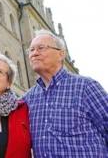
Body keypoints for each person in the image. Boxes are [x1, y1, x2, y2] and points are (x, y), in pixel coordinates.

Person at [23, 29, 108, 157]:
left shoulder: (86, 87)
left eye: (41, 48)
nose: (34, 53)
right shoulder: (27, 99)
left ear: (61, 54)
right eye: (31, 50)